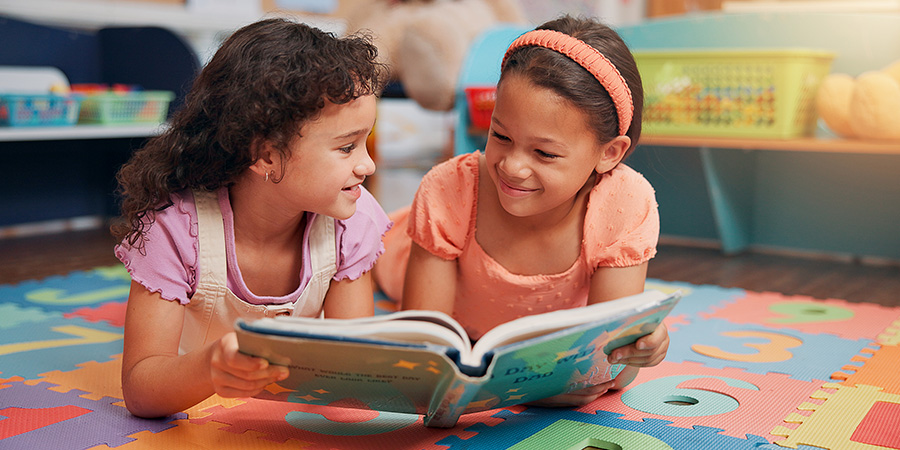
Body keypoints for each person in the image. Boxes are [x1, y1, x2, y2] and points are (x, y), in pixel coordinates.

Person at [374, 15, 666, 406]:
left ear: (608, 153)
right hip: (402, 250)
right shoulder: (449, 189)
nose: (512, 166)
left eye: (544, 153)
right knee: (381, 251)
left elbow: (605, 368)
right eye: (500, 135)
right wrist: (543, 388)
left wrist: (640, 348)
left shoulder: (626, 203)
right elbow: (424, 348)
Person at [112, 18, 390, 418]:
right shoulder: (175, 229)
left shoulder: (350, 220)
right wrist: (211, 367)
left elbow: (356, 372)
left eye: (364, 141)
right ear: (266, 156)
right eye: (347, 147)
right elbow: (141, 390)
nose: (368, 165)